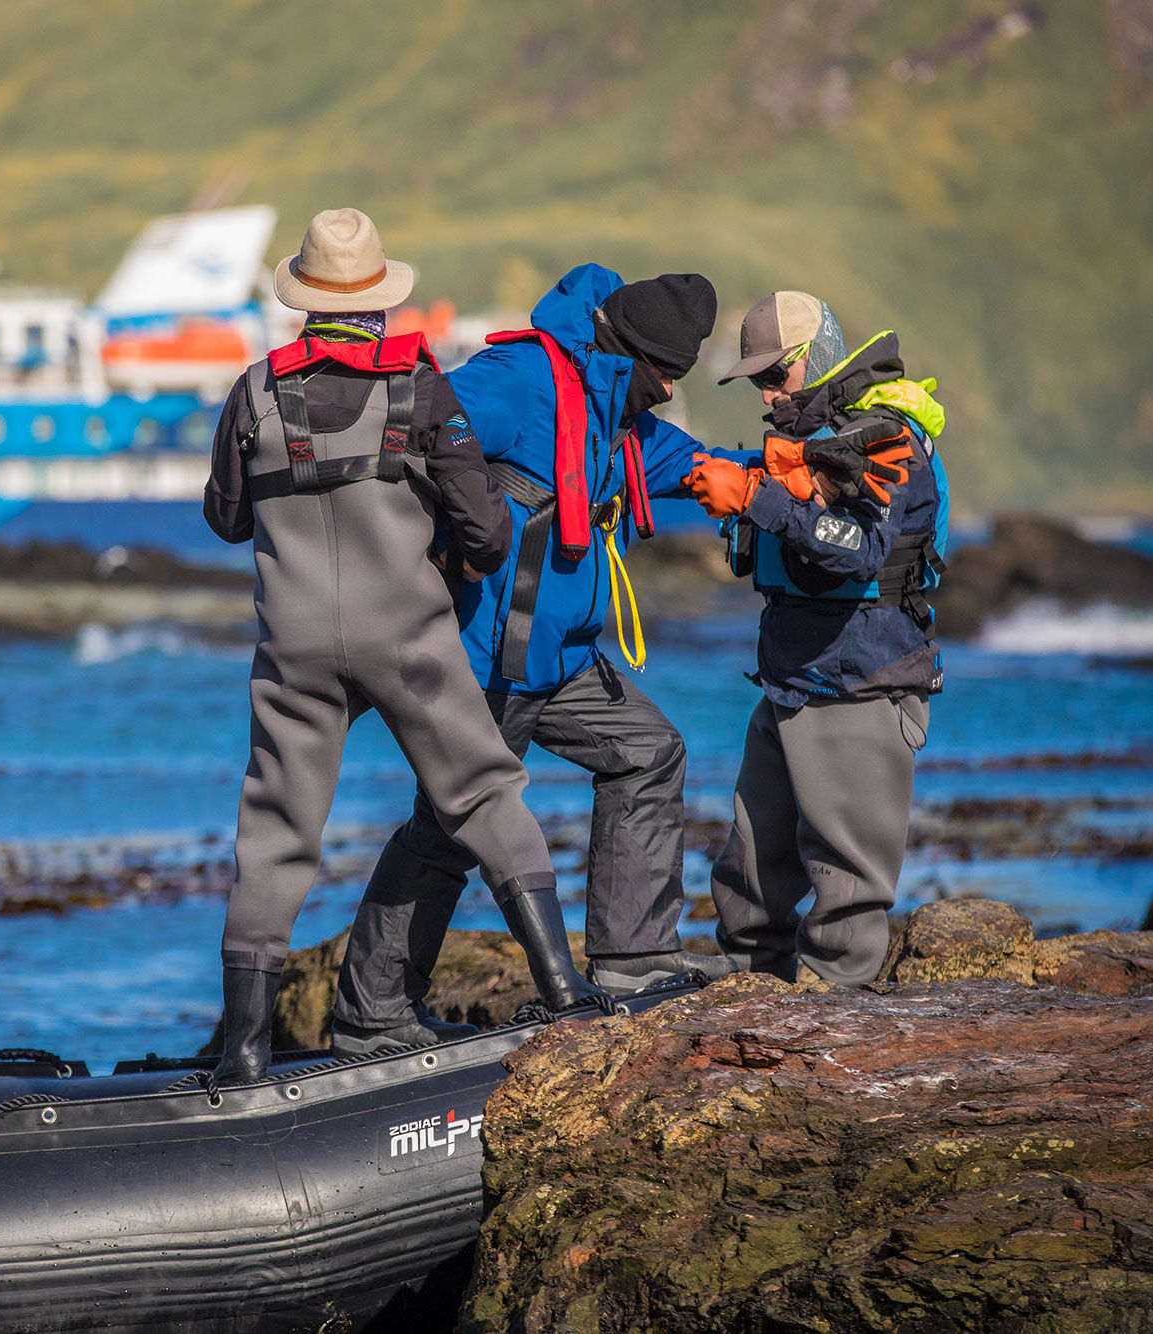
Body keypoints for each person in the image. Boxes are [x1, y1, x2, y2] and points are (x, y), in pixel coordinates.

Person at [203, 209, 605, 1086]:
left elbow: (226, 519)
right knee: (483, 791)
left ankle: (241, 1055)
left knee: (275, 830)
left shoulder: (254, 391)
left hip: (296, 646)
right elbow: (490, 534)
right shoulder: (420, 390)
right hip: (407, 636)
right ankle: (566, 988)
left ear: (304, 305)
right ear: (381, 303)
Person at [327, 264, 741, 1056]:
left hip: (567, 659)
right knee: (449, 826)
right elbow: (419, 433)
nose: (664, 396)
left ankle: (633, 959)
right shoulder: (520, 378)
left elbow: (670, 458)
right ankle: (370, 1015)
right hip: (487, 654)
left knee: (648, 752)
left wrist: (748, 476)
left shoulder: (616, 407)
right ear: (637, 356)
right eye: (665, 379)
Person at [684, 291, 949, 985]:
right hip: (790, 681)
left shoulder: (887, 436)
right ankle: (744, 1026)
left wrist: (753, 499)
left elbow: (860, 549)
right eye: (758, 381)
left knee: (845, 903)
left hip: (862, 683)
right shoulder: (805, 442)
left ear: (817, 356)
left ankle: (832, 1061)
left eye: (777, 375)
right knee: (747, 882)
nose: (768, 395)